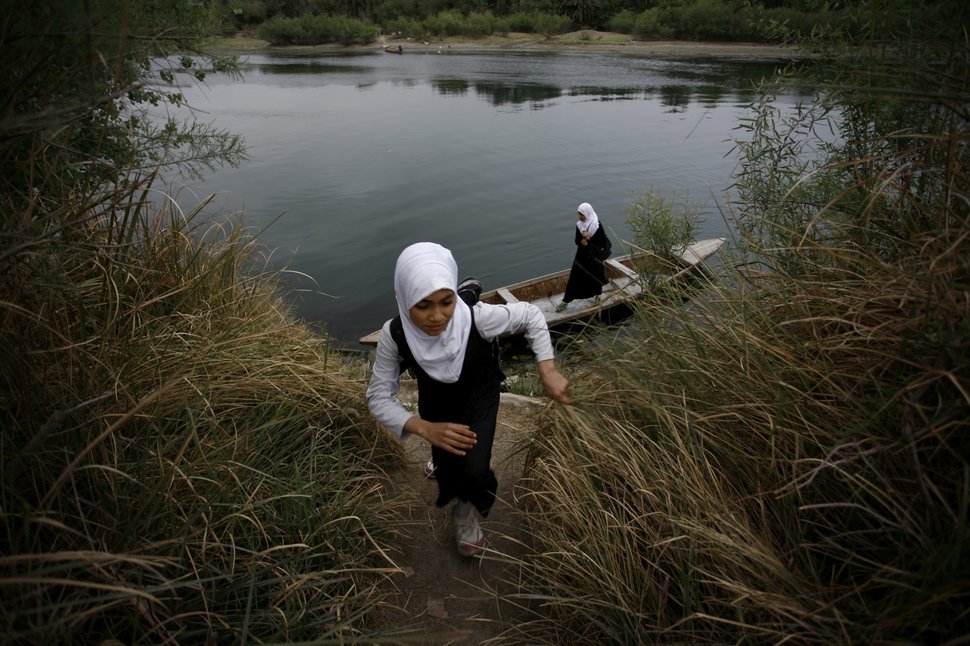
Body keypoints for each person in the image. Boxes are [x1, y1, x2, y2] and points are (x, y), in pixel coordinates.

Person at [366, 242, 571, 557]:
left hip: (480, 393)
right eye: (423, 306)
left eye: (446, 302)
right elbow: (378, 397)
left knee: (473, 470)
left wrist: (547, 369)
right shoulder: (395, 335)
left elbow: (530, 314)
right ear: (405, 299)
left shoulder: (478, 319)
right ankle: (467, 289)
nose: (437, 317)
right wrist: (422, 427)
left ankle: (464, 513)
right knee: (446, 454)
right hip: (435, 401)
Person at [556, 202, 611, 312]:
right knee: (575, 277)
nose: (579, 217)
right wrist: (582, 242)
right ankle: (566, 300)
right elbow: (577, 241)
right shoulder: (579, 225)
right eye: (579, 214)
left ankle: (597, 296)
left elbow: (602, 242)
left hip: (594, 258)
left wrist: (589, 241)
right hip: (581, 256)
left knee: (595, 276)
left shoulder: (597, 225)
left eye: (582, 214)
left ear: (588, 213)